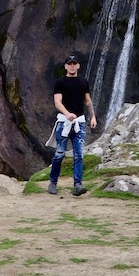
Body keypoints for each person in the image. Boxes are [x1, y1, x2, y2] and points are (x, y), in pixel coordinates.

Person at [48, 53, 97, 197]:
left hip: (79, 124)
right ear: (65, 66)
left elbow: (87, 101)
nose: (72, 66)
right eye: (69, 64)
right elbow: (57, 102)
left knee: (79, 155)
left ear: (78, 66)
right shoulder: (60, 83)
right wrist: (67, 114)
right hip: (64, 122)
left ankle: (77, 184)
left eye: (74, 63)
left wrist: (93, 116)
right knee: (59, 154)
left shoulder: (83, 82)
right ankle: (53, 182)